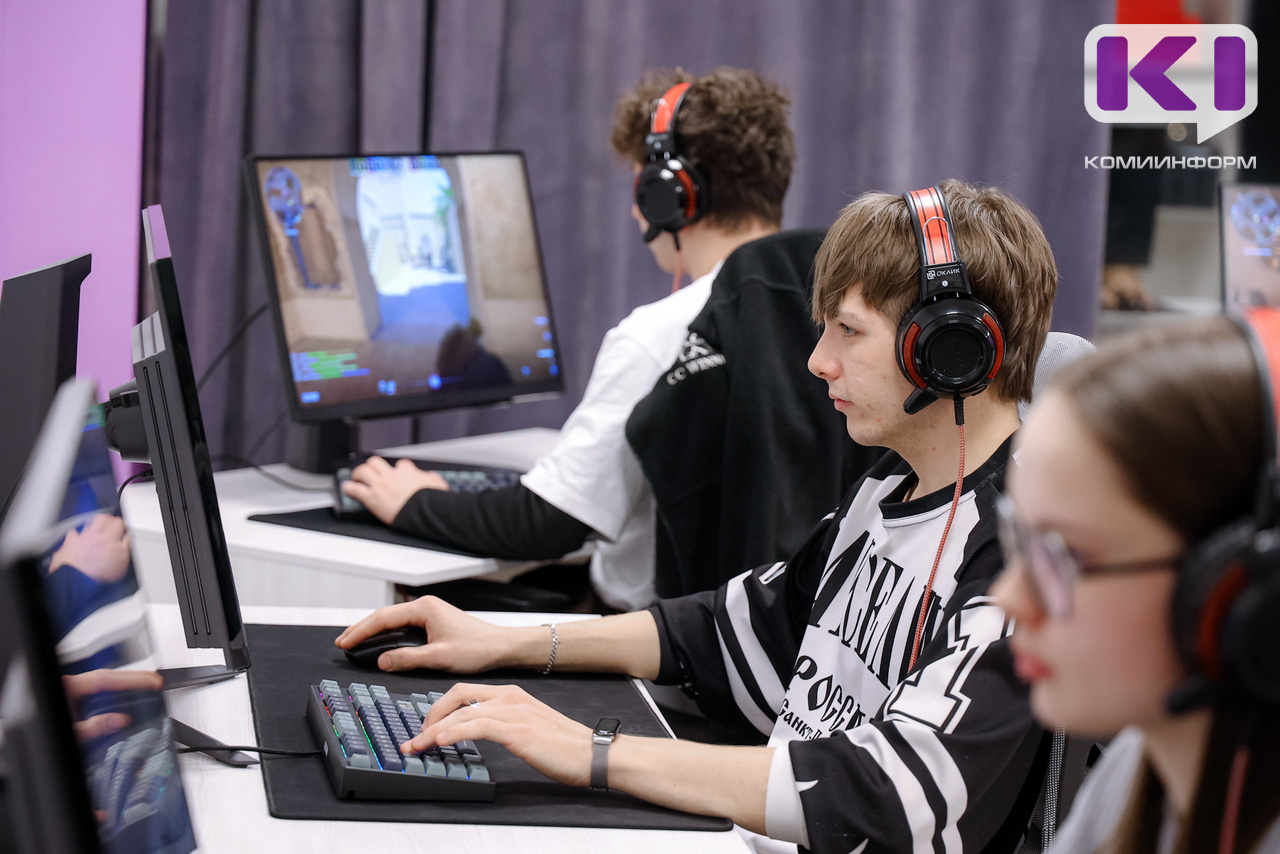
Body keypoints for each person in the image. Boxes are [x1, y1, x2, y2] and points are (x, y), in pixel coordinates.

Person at [336, 178, 1060, 852]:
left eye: (848, 330)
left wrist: (590, 753)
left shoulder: (1019, 558)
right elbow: (721, 629)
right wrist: (503, 642)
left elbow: (892, 790)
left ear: (949, 350)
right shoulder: (886, 491)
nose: (818, 362)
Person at [342, 66, 868, 612]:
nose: (635, 210)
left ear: (672, 197)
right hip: (803, 632)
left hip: (657, 641)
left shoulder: (663, 332)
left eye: (641, 187)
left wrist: (413, 500)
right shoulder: (839, 316)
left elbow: (544, 523)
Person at [991, 317, 1280, 854]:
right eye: (1019, 539)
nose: (1008, 600)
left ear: (1235, 594)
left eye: (1063, 555)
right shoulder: (1145, 760)